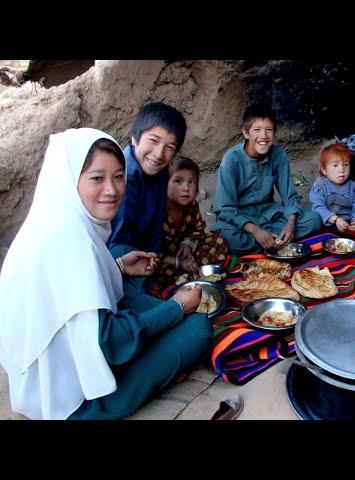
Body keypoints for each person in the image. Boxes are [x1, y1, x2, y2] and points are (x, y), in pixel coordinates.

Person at [0, 128, 213, 420]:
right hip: (73, 398)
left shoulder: (52, 222)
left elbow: (63, 292)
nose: (112, 190)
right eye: (97, 178)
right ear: (70, 179)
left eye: (118, 176)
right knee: (197, 328)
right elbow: (109, 342)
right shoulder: (70, 244)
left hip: (47, 368)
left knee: (121, 251)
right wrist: (176, 307)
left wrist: (119, 267)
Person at [211, 103, 322, 253]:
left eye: (269, 130)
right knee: (224, 236)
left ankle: (270, 241)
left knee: (314, 219)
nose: (263, 136)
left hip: (270, 215)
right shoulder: (231, 159)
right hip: (242, 219)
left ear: (274, 133)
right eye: (257, 130)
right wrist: (256, 231)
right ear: (246, 133)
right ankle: (274, 242)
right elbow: (225, 209)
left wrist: (290, 225)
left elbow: (289, 197)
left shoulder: (279, 155)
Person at [108, 101, 187, 254]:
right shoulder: (124, 176)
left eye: (170, 147)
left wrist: (153, 256)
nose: (158, 154)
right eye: (153, 140)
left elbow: (157, 223)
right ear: (134, 138)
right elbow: (118, 239)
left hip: (145, 253)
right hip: (118, 258)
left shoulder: (161, 172)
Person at [151, 155, 230, 296]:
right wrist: (178, 262)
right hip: (162, 259)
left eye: (192, 182)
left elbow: (197, 229)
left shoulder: (191, 205)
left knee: (218, 241)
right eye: (178, 181)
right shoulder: (156, 210)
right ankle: (177, 278)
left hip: (185, 252)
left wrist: (187, 245)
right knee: (153, 274)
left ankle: (186, 272)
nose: (186, 188)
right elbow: (150, 251)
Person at [309, 143, 355, 238]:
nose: (342, 170)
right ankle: (330, 235)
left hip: (347, 223)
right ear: (324, 170)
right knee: (314, 221)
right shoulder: (320, 185)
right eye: (335, 165)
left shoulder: (353, 187)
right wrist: (335, 219)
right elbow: (318, 207)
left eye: (346, 164)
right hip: (329, 221)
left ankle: (346, 234)